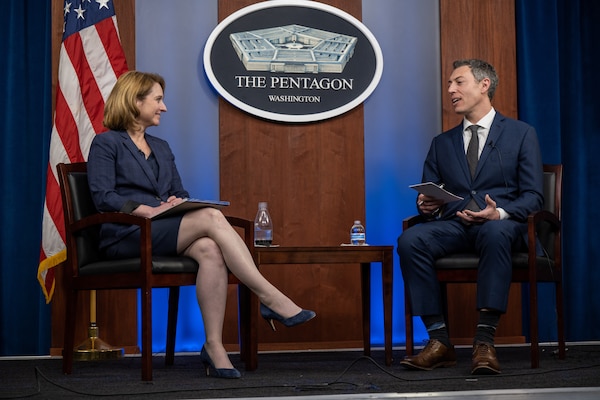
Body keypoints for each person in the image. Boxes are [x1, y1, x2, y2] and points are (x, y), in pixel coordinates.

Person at [87, 71, 316, 379]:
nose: (163, 107)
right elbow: (103, 196)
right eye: (157, 100)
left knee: (209, 248)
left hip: (162, 230)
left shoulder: (162, 147)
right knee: (211, 217)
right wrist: (146, 210)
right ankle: (270, 297)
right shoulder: (106, 143)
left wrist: (174, 202)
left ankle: (214, 345)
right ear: (134, 100)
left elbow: (180, 192)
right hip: (126, 234)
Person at [397, 59, 543, 375]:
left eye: (458, 82)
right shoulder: (442, 143)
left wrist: (499, 213)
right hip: (454, 225)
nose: (451, 90)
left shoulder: (520, 134)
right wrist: (426, 204)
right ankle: (438, 341)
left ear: (483, 85)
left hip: (500, 225)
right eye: (450, 84)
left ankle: (484, 341)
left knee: (495, 232)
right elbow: (430, 192)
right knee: (410, 239)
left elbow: (534, 195)